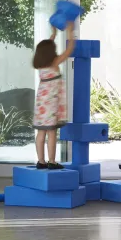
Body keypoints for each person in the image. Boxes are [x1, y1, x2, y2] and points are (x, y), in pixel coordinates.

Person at [33, 22, 75, 169]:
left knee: (41, 131)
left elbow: (46, 48)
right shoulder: (55, 62)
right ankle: (52, 160)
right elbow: (69, 50)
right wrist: (70, 32)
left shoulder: (40, 63)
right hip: (51, 103)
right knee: (52, 132)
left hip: (41, 103)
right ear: (51, 53)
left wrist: (54, 34)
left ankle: (41, 161)